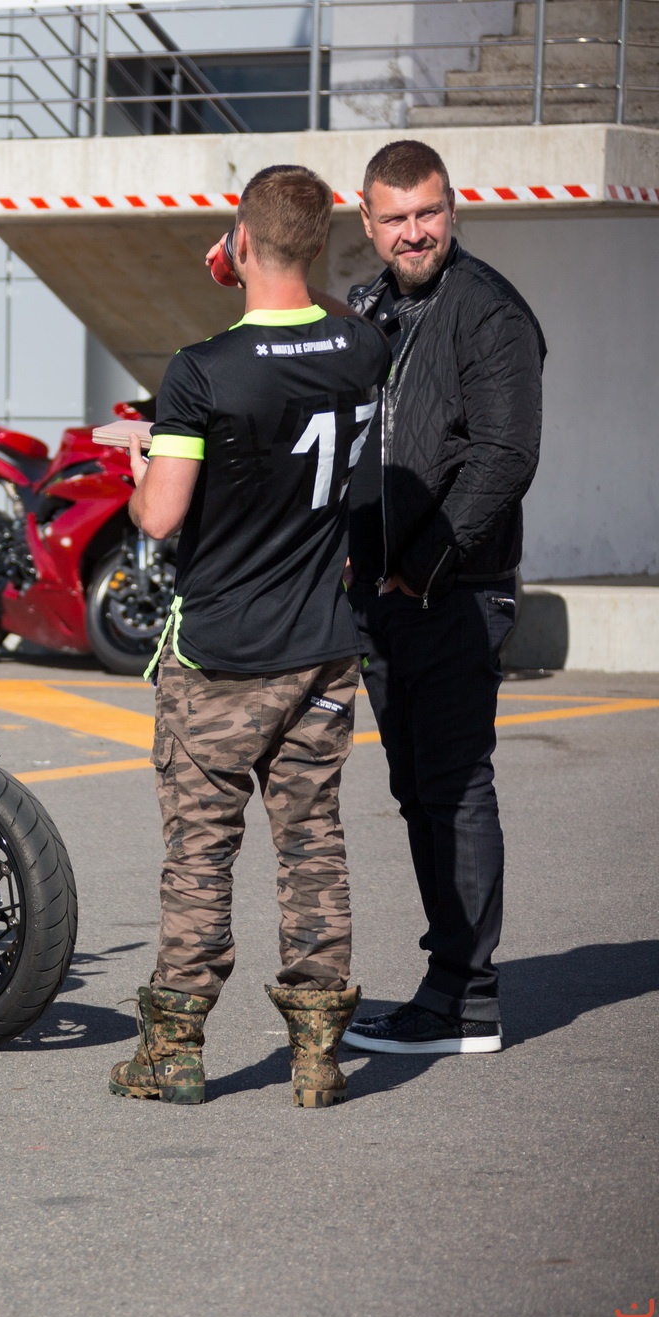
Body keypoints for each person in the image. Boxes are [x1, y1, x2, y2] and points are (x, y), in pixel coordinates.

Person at [101, 165, 391, 1108]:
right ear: (320, 243)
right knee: (313, 845)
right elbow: (320, 322)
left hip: (219, 653)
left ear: (237, 241)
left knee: (200, 855)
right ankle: (318, 1053)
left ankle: (173, 1051)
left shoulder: (201, 370)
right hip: (323, 645)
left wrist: (140, 460)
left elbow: (159, 517)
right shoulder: (361, 345)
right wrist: (275, 265)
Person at [338, 141, 545, 1058]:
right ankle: (449, 984)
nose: (414, 232)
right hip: (384, 599)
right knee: (419, 790)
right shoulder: (371, 306)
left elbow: (506, 455)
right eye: (396, 217)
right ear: (368, 221)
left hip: (455, 593)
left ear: (453, 208)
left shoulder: (490, 311)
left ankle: (466, 998)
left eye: (428, 212)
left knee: (455, 789)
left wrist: (419, 567)